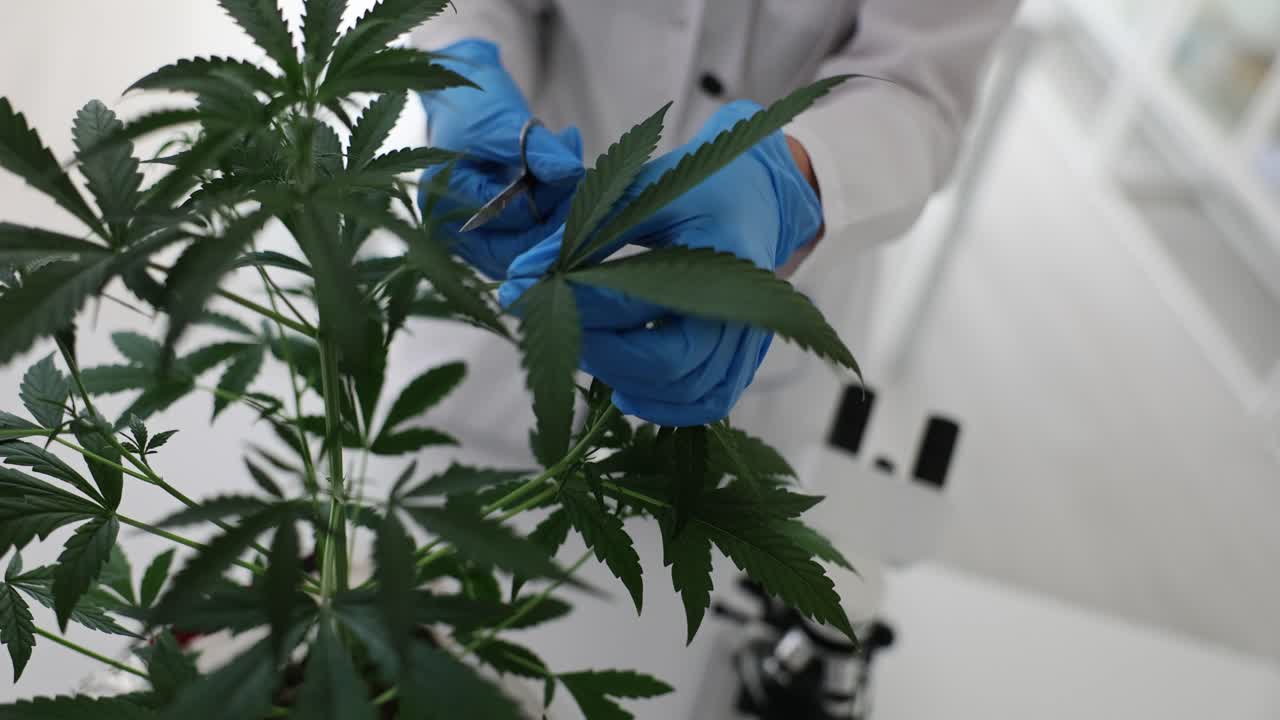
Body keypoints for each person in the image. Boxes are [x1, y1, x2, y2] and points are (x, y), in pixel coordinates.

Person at [406, 1, 1019, 470]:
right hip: (503, 267)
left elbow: (916, 88)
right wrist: (463, 67)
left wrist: (791, 185)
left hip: (766, 284)